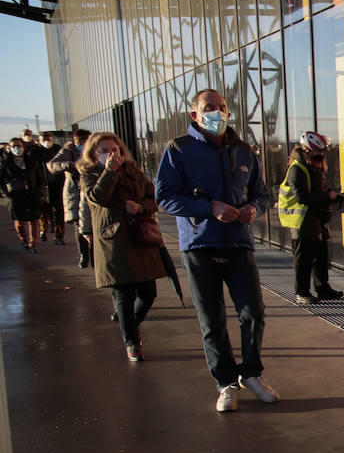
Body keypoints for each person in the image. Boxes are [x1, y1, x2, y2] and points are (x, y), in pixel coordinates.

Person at [154, 88, 275, 413]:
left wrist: (254, 209)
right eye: (209, 107)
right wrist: (209, 208)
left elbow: (262, 194)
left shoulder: (245, 151)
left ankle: (251, 373)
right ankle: (225, 383)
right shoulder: (179, 150)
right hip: (200, 245)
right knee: (212, 319)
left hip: (238, 244)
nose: (217, 112)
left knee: (253, 312)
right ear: (194, 114)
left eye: (222, 107)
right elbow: (164, 196)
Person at [79, 132, 167, 361]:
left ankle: (130, 327)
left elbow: (153, 198)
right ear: (93, 154)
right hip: (114, 243)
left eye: (114, 150)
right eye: (104, 151)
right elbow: (98, 198)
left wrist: (140, 208)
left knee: (149, 293)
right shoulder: (89, 174)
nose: (111, 155)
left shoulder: (134, 171)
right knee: (123, 295)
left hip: (140, 238)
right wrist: (109, 171)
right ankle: (131, 342)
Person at [278, 131, 344, 304]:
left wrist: (333, 196)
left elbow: (318, 189)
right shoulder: (297, 168)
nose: (320, 156)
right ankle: (302, 292)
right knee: (304, 258)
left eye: (322, 153)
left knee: (320, 255)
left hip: (316, 219)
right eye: (317, 153)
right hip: (302, 221)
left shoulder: (313, 168)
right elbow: (302, 197)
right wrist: (327, 197)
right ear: (307, 150)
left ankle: (323, 288)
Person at [48, 129, 93, 267]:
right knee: (80, 226)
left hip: (91, 189)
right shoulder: (68, 150)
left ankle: (94, 256)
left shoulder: (93, 149)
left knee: (93, 225)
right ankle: (84, 255)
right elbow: (52, 165)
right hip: (75, 192)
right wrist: (71, 165)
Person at [2, 136, 48, 252]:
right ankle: (23, 240)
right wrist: (7, 193)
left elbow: (40, 178)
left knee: (34, 219)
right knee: (19, 220)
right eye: (14, 146)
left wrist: (40, 192)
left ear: (23, 147)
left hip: (32, 194)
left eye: (19, 145)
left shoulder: (31, 161)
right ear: (10, 148)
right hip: (16, 195)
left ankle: (33, 243)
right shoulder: (6, 163)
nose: (17, 148)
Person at [37, 132, 65, 244]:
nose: (46, 140)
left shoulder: (58, 150)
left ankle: (59, 236)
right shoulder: (35, 152)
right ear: (39, 140)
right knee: (43, 212)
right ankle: (43, 230)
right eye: (44, 138)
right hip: (42, 187)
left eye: (49, 138)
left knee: (59, 213)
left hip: (57, 185)